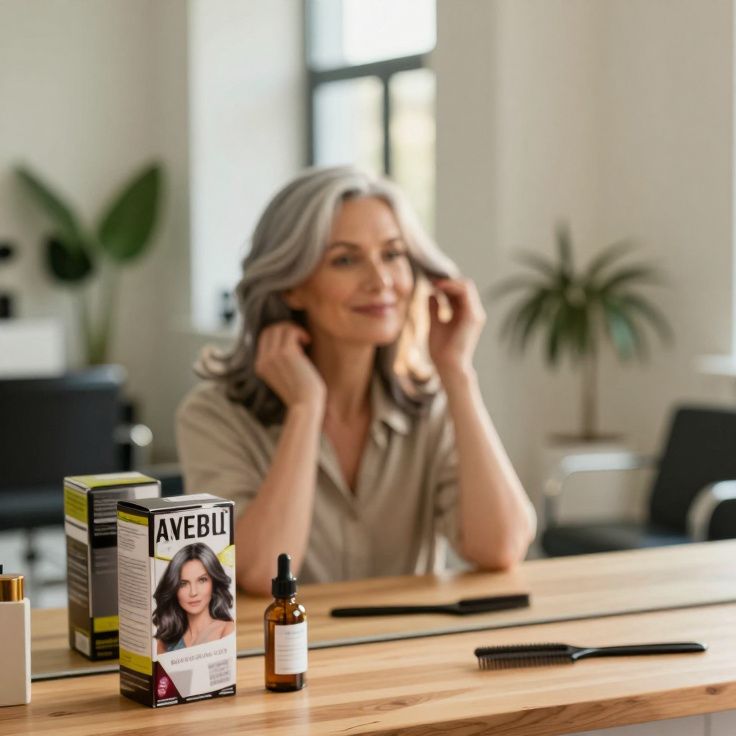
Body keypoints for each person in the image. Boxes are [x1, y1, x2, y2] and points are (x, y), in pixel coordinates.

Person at [176, 166, 536, 592]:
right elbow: (256, 573)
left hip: (405, 655)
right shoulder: (213, 415)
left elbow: (501, 546)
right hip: (281, 657)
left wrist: (457, 373)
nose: (380, 280)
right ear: (291, 285)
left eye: (393, 254)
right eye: (345, 259)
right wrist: (305, 409)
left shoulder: (430, 405)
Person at [153, 543, 235, 653]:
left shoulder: (227, 630)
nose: (193, 592)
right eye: (183, 584)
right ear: (173, 588)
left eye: (202, 580)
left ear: (214, 582)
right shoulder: (166, 639)